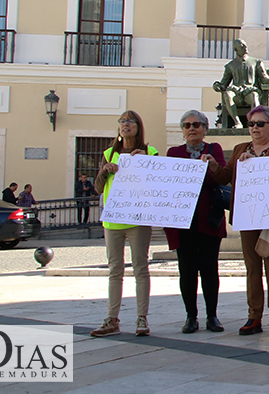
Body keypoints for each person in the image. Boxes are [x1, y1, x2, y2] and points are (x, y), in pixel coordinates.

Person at [90, 110, 158, 338]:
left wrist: (145, 163)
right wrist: (105, 171)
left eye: (130, 121)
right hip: (113, 220)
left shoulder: (150, 152)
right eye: (122, 121)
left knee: (140, 268)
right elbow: (98, 188)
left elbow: (157, 184)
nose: (125, 125)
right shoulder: (109, 153)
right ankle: (112, 318)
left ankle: (142, 318)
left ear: (138, 127)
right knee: (114, 270)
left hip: (138, 219)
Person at [227, 105, 269, 336]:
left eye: (260, 124)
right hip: (247, 217)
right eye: (251, 124)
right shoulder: (239, 149)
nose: (254, 128)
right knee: (252, 267)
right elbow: (223, 175)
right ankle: (254, 316)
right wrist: (210, 164)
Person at [166, 110, 231, 334]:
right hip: (182, 221)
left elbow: (221, 178)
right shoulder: (173, 153)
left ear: (205, 128)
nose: (191, 128)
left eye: (196, 124)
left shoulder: (215, 150)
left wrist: (212, 165)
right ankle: (190, 316)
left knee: (210, 269)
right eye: (186, 125)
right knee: (187, 270)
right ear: (183, 131)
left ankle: (212, 316)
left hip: (208, 220)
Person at [212, 39, 268, 128]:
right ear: (236, 50)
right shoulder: (230, 66)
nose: (245, 48)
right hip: (237, 93)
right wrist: (217, 86)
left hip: (250, 92)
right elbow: (224, 83)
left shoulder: (256, 62)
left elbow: (265, 79)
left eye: (245, 45)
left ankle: (254, 122)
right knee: (228, 94)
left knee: (254, 96)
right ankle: (237, 122)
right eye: (242, 46)